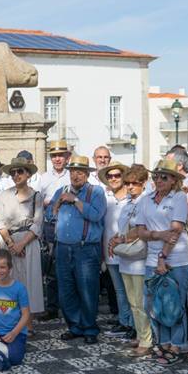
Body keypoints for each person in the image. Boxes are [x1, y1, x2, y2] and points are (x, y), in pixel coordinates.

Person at [134, 159, 188, 364]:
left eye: (164, 177)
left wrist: (162, 257)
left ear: (174, 179)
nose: (158, 180)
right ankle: (163, 342)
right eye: (156, 176)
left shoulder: (179, 197)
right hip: (152, 259)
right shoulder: (145, 199)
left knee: (175, 304)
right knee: (154, 304)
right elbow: (140, 231)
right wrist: (158, 234)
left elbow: (175, 231)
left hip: (176, 259)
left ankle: (177, 345)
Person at [49, 155, 106, 344]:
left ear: (87, 174)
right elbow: (50, 215)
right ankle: (74, 326)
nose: (75, 176)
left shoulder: (96, 192)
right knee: (66, 290)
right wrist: (57, 205)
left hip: (86, 248)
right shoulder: (61, 191)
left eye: (80, 172)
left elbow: (96, 215)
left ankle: (90, 328)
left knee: (87, 289)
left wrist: (75, 200)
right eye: (73, 171)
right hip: (63, 248)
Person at [0, 156, 44, 323]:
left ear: (28, 173)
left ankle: (27, 324)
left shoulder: (36, 196)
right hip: (8, 241)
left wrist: (21, 244)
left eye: (20, 171)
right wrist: (11, 244)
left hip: (29, 241)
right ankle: (9, 321)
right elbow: (0, 223)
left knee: (29, 283)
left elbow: (37, 224)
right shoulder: (4, 195)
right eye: (13, 172)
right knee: (8, 281)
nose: (16, 175)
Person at [113, 164, 152, 357]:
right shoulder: (127, 202)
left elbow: (141, 229)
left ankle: (147, 340)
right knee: (132, 302)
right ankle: (139, 333)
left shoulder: (147, 201)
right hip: (125, 258)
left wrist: (122, 239)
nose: (130, 186)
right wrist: (117, 238)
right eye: (127, 183)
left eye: (134, 183)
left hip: (139, 259)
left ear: (143, 183)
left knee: (141, 302)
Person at [99, 161, 134, 339]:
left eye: (117, 175)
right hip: (110, 252)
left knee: (132, 291)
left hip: (130, 252)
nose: (113, 179)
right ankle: (124, 321)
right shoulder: (105, 199)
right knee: (119, 290)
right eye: (110, 176)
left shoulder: (132, 198)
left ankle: (134, 324)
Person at [38, 140, 70, 322]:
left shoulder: (71, 175)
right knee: (50, 268)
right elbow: (36, 201)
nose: (57, 159)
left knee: (67, 267)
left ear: (67, 157)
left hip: (67, 224)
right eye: (54, 156)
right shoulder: (43, 178)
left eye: (61, 156)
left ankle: (68, 307)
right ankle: (51, 307)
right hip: (50, 225)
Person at [0, 250, 30, 370]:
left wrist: (14, 333)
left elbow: (26, 314)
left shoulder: (19, 288)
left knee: (15, 358)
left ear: (10, 268)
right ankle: (3, 354)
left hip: (16, 332)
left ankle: (12, 350)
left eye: (3, 267)